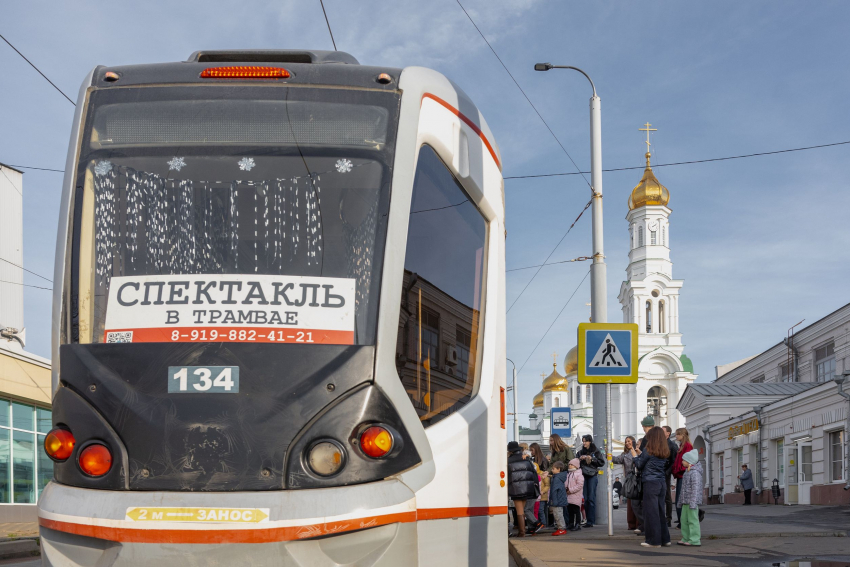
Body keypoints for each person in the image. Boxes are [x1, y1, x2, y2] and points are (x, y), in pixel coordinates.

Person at [633, 426, 671, 548]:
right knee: (660, 511)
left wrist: (635, 456)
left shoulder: (648, 450)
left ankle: (653, 541)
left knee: (651, 513)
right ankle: (665, 539)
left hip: (650, 483)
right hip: (661, 483)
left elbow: (639, 465)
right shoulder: (665, 451)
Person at [507, 441, 540, 537]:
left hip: (515, 488)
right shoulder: (526, 460)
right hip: (527, 488)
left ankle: (522, 532)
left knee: (519, 510)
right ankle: (523, 531)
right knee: (523, 510)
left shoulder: (508, 461)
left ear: (510, 451)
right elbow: (533, 473)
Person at [612, 435, 638, 530]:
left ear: (633, 442)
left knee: (638, 503)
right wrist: (607, 453)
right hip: (629, 480)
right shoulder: (625, 455)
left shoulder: (639, 451)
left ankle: (639, 524)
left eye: (629, 441)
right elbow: (615, 459)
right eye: (626, 442)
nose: (627, 443)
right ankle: (631, 525)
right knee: (630, 502)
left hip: (638, 480)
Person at [577, 434, 604, 528]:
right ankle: (587, 520)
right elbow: (576, 463)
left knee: (591, 498)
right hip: (583, 476)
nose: (584, 443)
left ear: (590, 441)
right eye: (583, 441)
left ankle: (591, 521)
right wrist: (580, 459)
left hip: (592, 476)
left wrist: (591, 459)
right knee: (586, 499)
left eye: (586, 441)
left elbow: (601, 462)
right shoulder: (580, 452)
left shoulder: (596, 451)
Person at [678, 449, 703, 546]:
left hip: (692, 502)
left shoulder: (695, 473)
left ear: (689, 461)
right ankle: (686, 537)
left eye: (683, 460)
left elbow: (695, 489)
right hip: (685, 501)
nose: (682, 462)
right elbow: (683, 488)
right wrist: (681, 500)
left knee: (693, 521)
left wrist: (693, 502)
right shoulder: (687, 472)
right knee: (684, 520)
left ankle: (695, 539)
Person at [671, 427, 693, 528]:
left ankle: (683, 522)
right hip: (680, 474)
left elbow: (687, 461)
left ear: (682, 435)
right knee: (680, 499)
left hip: (683, 474)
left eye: (677, 434)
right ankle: (682, 520)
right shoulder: (681, 446)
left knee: (680, 499)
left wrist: (678, 469)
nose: (676, 436)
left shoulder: (687, 446)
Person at [662, 426, 679, 528]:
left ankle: (668, 518)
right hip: (659, 472)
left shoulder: (672, 445)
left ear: (668, 433)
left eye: (663, 431)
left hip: (666, 473)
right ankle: (661, 517)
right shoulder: (658, 443)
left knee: (667, 497)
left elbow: (674, 461)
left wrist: (668, 472)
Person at [548, 461, 569, 536]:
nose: (552, 470)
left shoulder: (556, 478)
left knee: (557, 514)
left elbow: (554, 491)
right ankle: (561, 528)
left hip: (557, 500)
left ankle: (561, 528)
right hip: (560, 498)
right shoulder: (560, 477)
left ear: (558, 469)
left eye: (553, 468)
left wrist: (553, 501)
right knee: (559, 514)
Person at [566, 458, 585, 531]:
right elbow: (566, 483)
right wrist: (566, 488)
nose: (570, 466)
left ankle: (578, 524)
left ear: (576, 466)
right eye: (569, 464)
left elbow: (579, 485)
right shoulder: (569, 474)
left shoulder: (579, 475)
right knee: (570, 510)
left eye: (572, 464)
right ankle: (571, 523)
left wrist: (570, 490)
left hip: (576, 496)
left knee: (576, 510)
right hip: (569, 496)